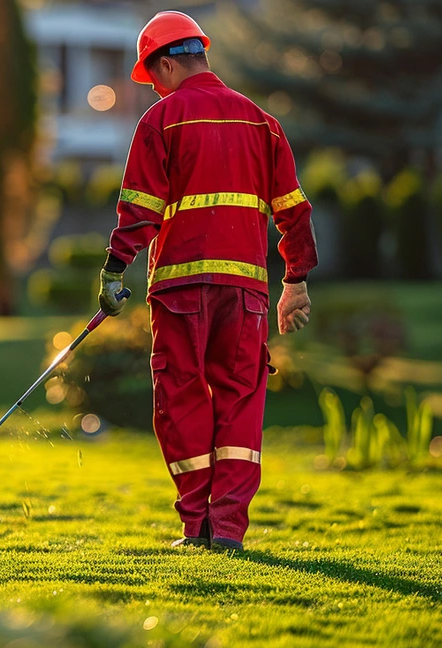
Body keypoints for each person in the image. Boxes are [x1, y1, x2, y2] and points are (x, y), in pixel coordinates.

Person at [98, 11, 318, 552]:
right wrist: (296, 282)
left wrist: (114, 270)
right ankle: (228, 530)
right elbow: (294, 209)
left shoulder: (162, 121)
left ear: (168, 64)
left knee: (181, 400)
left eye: (154, 81)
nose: (155, 92)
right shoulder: (261, 122)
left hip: (179, 292)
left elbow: (139, 208)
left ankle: (195, 524)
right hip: (246, 294)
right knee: (241, 401)